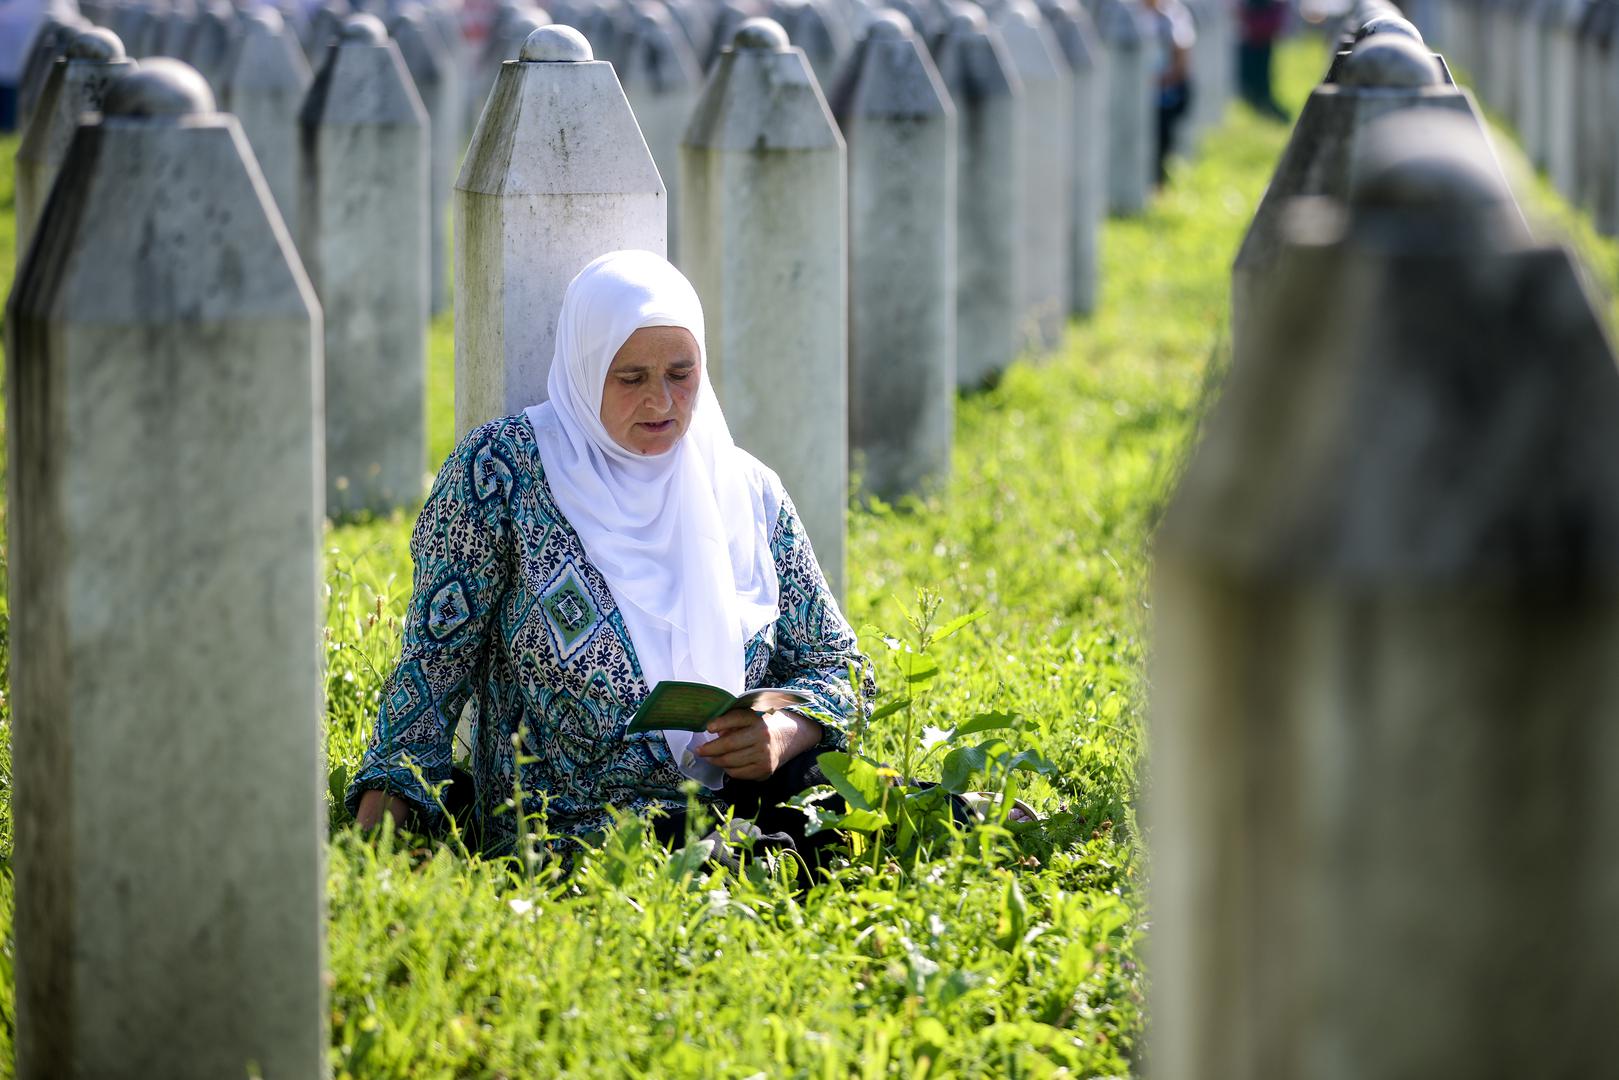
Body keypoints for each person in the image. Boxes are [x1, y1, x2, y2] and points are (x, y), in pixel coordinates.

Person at [347, 250, 872, 870]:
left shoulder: (745, 490)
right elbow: (432, 673)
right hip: (578, 825)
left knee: (866, 809)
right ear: (583, 368)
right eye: (630, 378)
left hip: (743, 796)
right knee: (726, 863)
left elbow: (842, 669)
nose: (661, 401)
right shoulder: (504, 474)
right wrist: (371, 849)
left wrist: (783, 736)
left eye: (681, 373)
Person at [1142, 0, 1196, 185]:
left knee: (1160, 143)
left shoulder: (1173, 14)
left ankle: (1158, 184)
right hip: (1141, 94)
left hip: (1164, 94)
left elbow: (1182, 57)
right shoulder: (1131, 14)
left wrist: (1160, 80)